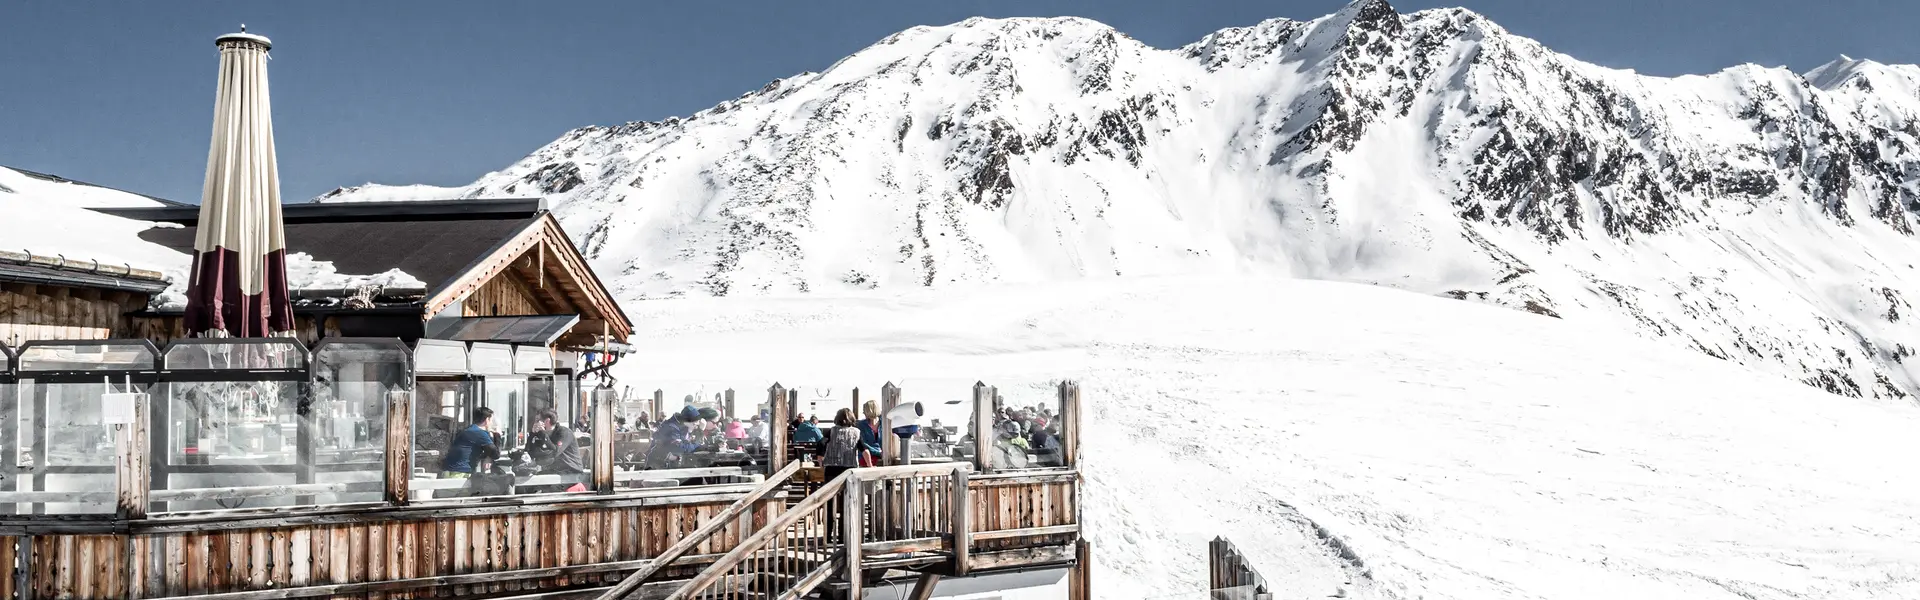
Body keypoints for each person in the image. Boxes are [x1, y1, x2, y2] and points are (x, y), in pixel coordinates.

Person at [821, 408, 866, 541]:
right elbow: (864, 450)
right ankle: (843, 535)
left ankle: (827, 536)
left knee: (829, 504)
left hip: (831, 469)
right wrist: (869, 466)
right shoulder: (857, 432)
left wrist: (820, 460)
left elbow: (821, 444)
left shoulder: (830, 431)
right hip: (849, 470)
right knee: (847, 503)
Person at [442, 406, 499, 478]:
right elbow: (496, 454)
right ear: (487, 420)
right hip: (460, 474)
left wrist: (488, 457)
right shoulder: (480, 433)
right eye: (491, 420)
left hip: (448, 472)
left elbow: (474, 452)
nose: (492, 423)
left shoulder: (470, 430)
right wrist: (497, 436)